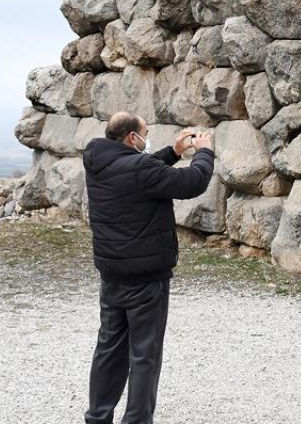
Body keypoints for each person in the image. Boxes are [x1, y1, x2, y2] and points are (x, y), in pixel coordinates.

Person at [81, 111, 214, 424]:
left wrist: (173, 152)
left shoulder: (99, 161)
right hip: (146, 279)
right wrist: (204, 152)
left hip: (112, 274)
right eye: (144, 133)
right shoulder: (138, 166)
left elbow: (140, 171)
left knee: (109, 348)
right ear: (132, 138)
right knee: (144, 354)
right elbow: (192, 182)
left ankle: (98, 417)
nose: (146, 137)